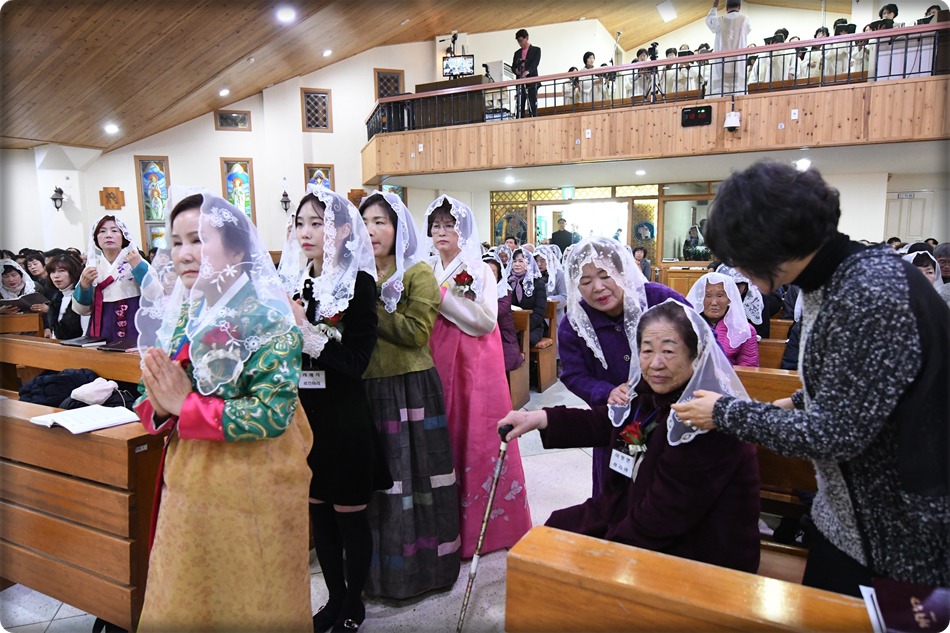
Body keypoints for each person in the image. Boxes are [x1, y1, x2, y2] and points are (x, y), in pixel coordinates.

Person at [672, 161, 950, 596]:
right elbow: (854, 381)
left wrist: (726, 412)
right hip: (844, 518)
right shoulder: (839, 278)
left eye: (740, 256)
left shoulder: (869, 293)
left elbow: (836, 434)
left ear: (771, 241)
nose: (737, 270)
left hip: (895, 536)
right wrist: (794, 402)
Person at [132, 190, 313, 631]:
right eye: (176, 242)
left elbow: (272, 412)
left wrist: (185, 405)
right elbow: (152, 394)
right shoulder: (185, 316)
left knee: (254, 600)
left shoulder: (268, 318)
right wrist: (161, 404)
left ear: (235, 251)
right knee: (184, 595)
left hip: (252, 484)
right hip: (189, 480)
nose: (184, 254)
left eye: (198, 239)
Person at [498, 300, 760, 573]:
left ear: (696, 354)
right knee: (551, 537)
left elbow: (664, 517)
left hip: (696, 551)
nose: (655, 363)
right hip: (634, 511)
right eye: (647, 351)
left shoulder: (708, 420)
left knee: (556, 564)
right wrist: (538, 418)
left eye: (668, 351)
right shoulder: (650, 395)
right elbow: (606, 421)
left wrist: (600, 557)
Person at [283, 186, 392, 632]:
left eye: (318, 223)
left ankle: (353, 604)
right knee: (319, 514)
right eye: (300, 223)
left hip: (344, 414)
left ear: (344, 231)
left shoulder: (359, 285)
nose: (306, 232)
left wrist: (306, 333)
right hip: (304, 415)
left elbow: (356, 362)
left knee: (349, 516)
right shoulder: (294, 283)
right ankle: (332, 599)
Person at [358, 191, 461, 600]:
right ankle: (374, 576)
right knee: (377, 487)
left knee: (416, 482)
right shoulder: (354, 272)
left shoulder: (417, 272)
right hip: (365, 388)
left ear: (398, 228)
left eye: (380, 222)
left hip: (410, 387)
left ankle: (423, 572)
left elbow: (417, 333)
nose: (371, 230)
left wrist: (368, 304)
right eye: (365, 222)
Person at [424, 195, 532, 558]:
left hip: (472, 363)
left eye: (449, 225)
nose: (442, 232)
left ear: (462, 231)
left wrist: (440, 297)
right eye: (436, 226)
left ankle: (483, 530)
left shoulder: (477, 269)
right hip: (436, 357)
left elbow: (485, 320)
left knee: (475, 435)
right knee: (443, 435)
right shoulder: (427, 267)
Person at [558, 237, 686, 497]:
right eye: (585, 281)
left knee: (669, 495)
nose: (598, 287)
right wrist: (605, 391)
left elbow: (705, 342)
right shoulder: (575, 323)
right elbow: (573, 374)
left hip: (672, 417)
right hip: (615, 424)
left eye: (605, 275)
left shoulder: (659, 299)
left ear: (622, 270)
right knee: (615, 496)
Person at [72, 215, 148, 343]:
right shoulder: (92, 267)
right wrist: (84, 287)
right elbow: (82, 310)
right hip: (102, 325)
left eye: (114, 230)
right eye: (102, 231)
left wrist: (139, 268)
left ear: (123, 236)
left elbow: (156, 294)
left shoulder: (136, 262)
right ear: (96, 238)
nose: (108, 235)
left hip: (133, 321)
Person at [685, 272, 759, 367]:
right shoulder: (687, 326)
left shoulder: (744, 330)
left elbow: (749, 367)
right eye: (708, 296)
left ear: (729, 299)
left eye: (720, 296)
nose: (714, 302)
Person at [484, 253, 524, 372]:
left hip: (503, 337)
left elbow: (495, 313)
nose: (488, 276)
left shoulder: (504, 292)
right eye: (485, 272)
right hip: (481, 335)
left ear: (499, 276)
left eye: (493, 273)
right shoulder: (472, 291)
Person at [705, 0, 752, 97]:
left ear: (726, 8)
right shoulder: (745, 20)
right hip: (738, 60)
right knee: (737, 90)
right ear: (739, 7)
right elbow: (748, 30)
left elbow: (709, 21)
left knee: (720, 91)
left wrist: (715, 6)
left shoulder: (719, 21)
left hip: (721, 61)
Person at [43, 253, 88, 340]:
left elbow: (86, 334)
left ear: (73, 272)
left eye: (62, 270)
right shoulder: (57, 298)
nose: (56, 276)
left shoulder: (82, 297)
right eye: (52, 272)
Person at [508, 247, 547, 347]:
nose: (516, 264)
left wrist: (522, 326)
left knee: (518, 341)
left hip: (532, 326)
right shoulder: (508, 281)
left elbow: (539, 312)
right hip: (510, 325)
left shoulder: (537, 283)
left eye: (521, 261)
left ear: (528, 263)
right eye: (514, 261)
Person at [535, 245, 567, 330]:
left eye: (542, 260)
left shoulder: (558, 274)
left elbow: (564, 297)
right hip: (536, 318)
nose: (539, 264)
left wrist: (548, 300)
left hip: (553, 318)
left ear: (549, 259)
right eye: (536, 260)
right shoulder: (532, 275)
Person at [512, 28, 541, 118]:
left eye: (521, 41)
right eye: (518, 41)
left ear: (527, 38)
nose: (520, 43)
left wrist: (527, 72)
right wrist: (516, 71)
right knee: (520, 105)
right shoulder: (517, 53)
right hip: (520, 83)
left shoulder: (536, 50)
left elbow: (535, 64)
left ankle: (534, 119)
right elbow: (513, 67)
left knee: (532, 104)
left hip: (531, 82)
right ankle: (519, 120)